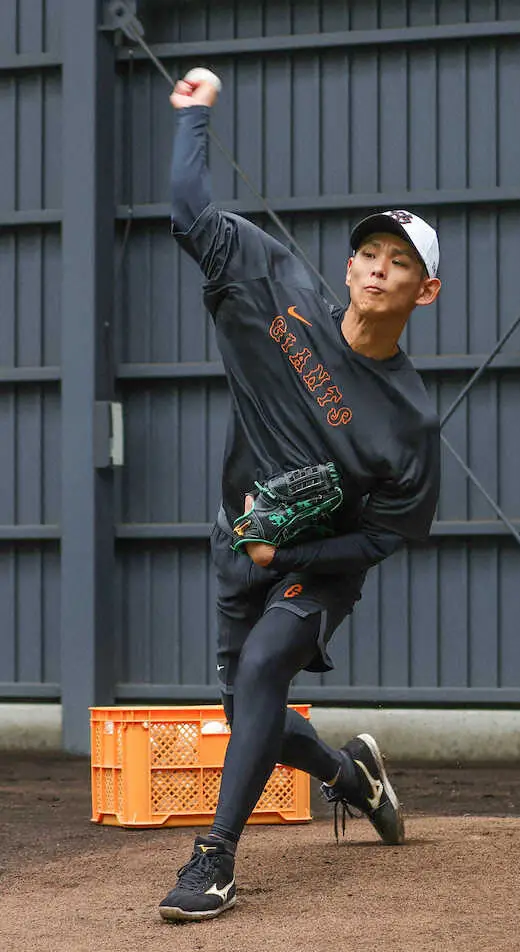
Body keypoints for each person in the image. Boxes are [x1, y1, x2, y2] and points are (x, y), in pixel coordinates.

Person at [158, 70, 442, 921]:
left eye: (401, 263)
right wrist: (195, 115)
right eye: (369, 254)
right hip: (236, 537)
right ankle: (348, 775)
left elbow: (387, 538)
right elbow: (189, 213)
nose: (378, 269)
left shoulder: (408, 423)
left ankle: (213, 861)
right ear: (348, 265)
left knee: (263, 670)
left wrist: (293, 555)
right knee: (254, 712)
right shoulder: (276, 290)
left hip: (314, 566)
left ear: (425, 291)